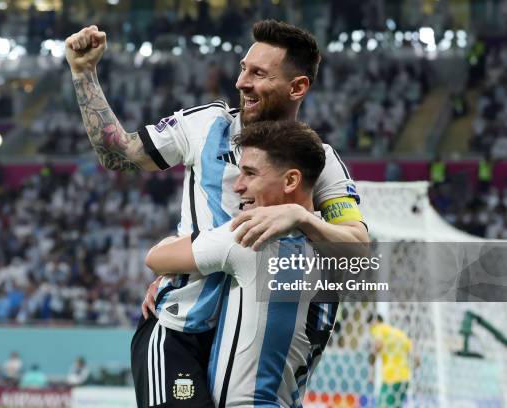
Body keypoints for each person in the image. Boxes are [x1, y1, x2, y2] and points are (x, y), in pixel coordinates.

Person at [66, 19, 368, 407]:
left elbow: (359, 249)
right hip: (181, 330)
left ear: (297, 87)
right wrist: (84, 72)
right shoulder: (206, 123)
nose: (242, 82)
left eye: (259, 73)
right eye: (244, 68)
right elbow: (118, 154)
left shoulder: (318, 160)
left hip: (251, 344)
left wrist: (304, 218)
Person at [145, 120, 338, 406]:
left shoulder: (251, 238)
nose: (237, 186)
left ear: (290, 181)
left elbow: (156, 259)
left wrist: (168, 264)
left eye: (249, 173)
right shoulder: (334, 251)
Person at [368, 314, 415, 408]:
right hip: (405, 378)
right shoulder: (400, 333)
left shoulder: (379, 329)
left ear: (375, 322)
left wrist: (371, 361)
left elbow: (378, 346)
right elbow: (417, 360)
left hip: (391, 378)